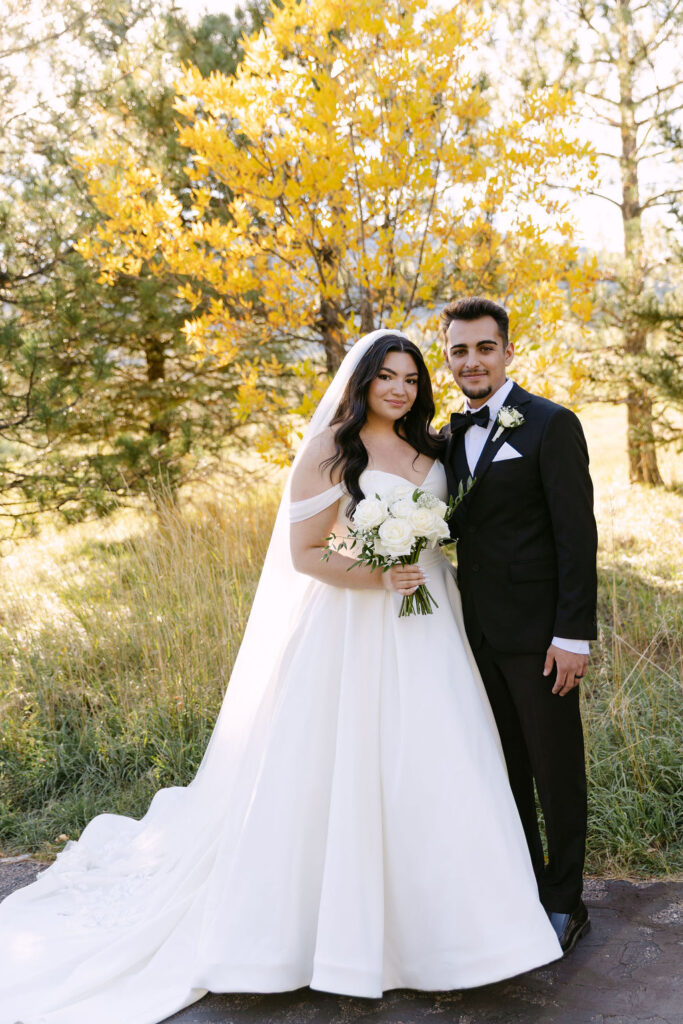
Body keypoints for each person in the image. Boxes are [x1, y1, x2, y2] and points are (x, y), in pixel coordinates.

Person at [0, 330, 561, 1024]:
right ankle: (339, 936)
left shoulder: (433, 447)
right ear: (360, 384)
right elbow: (303, 555)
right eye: (385, 377)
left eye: (410, 379)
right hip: (356, 629)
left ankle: (472, 926)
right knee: (347, 768)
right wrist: (378, 572)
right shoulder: (332, 450)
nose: (398, 389)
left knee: (444, 764)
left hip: (431, 622)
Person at [440, 297, 598, 954]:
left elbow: (575, 537)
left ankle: (565, 900)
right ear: (446, 358)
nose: (471, 361)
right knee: (500, 769)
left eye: (483, 347)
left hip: (539, 642)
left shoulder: (549, 425)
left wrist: (571, 635)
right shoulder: (446, 436)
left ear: (506, 351)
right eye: (458, 350)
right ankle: (521, 887)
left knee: (554, 770)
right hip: (470, 637)